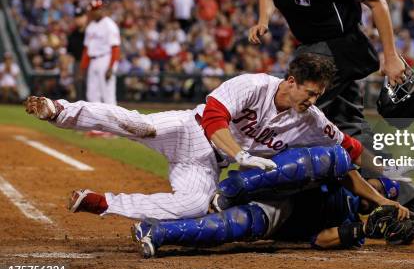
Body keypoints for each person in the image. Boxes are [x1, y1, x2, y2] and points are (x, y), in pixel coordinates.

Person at [23, 53, 378, 221]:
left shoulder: (313, 119)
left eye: (318, 96)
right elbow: (212, 118)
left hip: (208, 163)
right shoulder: (252, 84)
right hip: (188, 129)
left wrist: (390, 186)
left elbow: (351, 150)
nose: (313, 101)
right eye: (310, 93)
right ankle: (59, 110)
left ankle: (103, 203)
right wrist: (240, 154)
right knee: (138, 124)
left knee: (194, 206)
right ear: (290, 81)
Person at [248, 0, 414, 214]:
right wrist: (263, 19)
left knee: (292, 117)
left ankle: (271, 202)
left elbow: (377, 2)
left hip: (335, 46)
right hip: (313, 46)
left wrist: (391, 56)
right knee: (352, 128)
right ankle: (411, 199)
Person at [131, 167, 414, 258]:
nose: (375, 200)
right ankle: (233, 186)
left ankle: (156, 230)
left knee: (220, 227)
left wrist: (363, 230)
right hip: (273, 189)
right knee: (201, 202)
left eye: (384, 198)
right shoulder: (344, 178)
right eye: (378, 190)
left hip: (277, 219)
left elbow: (320, 240)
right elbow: (337, 164)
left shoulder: (353, 226)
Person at [80, 0, 120, 105]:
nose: (94, 12)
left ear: (102, 10)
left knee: (108, 95)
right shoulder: (91, 26)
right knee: (92, 95)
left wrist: (111, 67)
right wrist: (83, 67)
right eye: (93, 10)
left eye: (96, 9)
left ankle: (113, 121)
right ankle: (96, 121)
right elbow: (87, 49)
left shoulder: (109, 25)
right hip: (93, 61)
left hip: (106, 59)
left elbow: (115, 48)